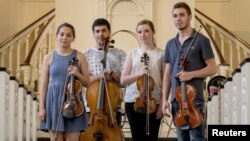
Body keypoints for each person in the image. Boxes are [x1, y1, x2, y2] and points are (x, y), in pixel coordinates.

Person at [161, 2, 217, 141]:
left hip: (194, 100)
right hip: (176, 102)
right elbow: (168, 75)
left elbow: (213, 68)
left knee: (197, 138)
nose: (178, 19)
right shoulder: (170, 44)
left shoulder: (201, 40)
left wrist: (191, 74)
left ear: (189, 16)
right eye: (175, 16)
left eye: (181, 15)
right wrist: (164, 100)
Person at [39, 22, 90, 141]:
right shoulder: (49, 57)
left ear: (73, 38)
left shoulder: (80, 56)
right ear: (56, 36)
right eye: (61, 34)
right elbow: (44, 84)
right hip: (54, 100)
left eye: (68, 35)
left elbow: (87, 82)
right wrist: (42, 107)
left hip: (74, 102)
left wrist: (77, 74)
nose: (64, 38)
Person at [120, 19, 165, 141]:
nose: (143, 35)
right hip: (134, 101)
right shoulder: (133, 53)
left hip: (153, 101)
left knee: (152, 137)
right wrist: (139, 74)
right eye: (139, 32)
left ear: (153, 32)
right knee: (137, 137)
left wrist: (163, 103)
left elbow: (166, 81)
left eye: (146, 31)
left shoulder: (161, 54)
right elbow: (123, 80)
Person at [84, 18, 126, 125]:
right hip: (92, 105)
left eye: (104, 30)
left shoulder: (120, 53)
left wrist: (111, 76)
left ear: (109, 32)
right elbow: (83, 81)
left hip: (113, 105)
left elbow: (123, 82)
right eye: (97, 31)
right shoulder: (86, 54)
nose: (100, 34)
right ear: (93, 33)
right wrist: (99, 76)